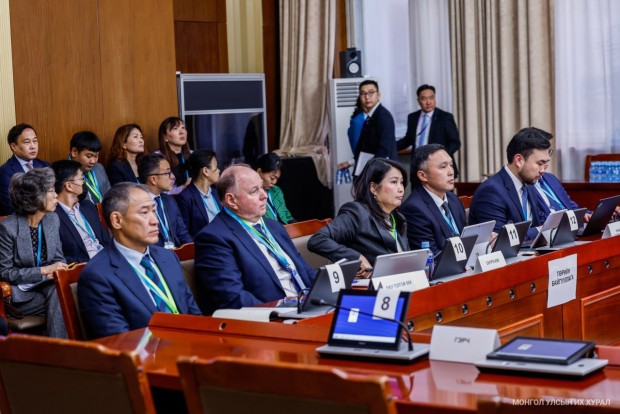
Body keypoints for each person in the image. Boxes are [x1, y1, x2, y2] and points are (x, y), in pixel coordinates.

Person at [78, 182, 201, 339]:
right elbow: (120, 340)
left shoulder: (167, 257)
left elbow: (193, 313)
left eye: (154, 211)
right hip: (148, 352)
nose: (155, 221)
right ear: (117, 220)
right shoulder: (98, 275)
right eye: (144, 212)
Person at [194, 165, 316, 313]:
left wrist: (329, 290)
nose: (264, 195)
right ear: (232, 200)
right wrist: (283, 310)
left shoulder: (274, 226)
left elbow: (304, 270)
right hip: (272, 317)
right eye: (254, 191)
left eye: (262, 187)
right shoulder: (214, 238)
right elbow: (233, 298)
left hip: (308, 307)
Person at [308, 158, 409, 277]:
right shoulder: (357, 212)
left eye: (401, 182)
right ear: (373, 188)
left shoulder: (398, 217)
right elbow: (318, 240)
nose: (401, 189)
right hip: (372, 284)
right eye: (394, 182)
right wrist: (357, 258)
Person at [0, 168, 67, 338]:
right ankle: (62, 349)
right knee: (65, 300)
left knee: (64, 295)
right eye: (51, 191)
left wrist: (56, 270)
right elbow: (5, 273)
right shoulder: (8, 228)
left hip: (47, 287)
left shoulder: (52, 219)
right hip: (20, 295)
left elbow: (58, 257)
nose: (56, 195)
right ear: (35, 197)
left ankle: (57, 349)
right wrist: (43, 271)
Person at [469, 127, 550, 240]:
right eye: (540, 163)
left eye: (545, 164)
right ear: (519, 160)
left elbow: (540, 222)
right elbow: (499, 239)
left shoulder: (529, 184)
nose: (543, 170)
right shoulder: (491, 191)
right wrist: (539, 230)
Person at [400, 144, 467, 255]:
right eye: (443, 167)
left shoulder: (453, 199)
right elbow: (431, 257)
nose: (451, 172)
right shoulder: (414, 209)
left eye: (451, 165)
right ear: (422, 175)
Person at [52, 160, 111, 264]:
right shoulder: (53, 216)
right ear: (69, 186)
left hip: (107, 260)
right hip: (85, 267)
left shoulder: (87, 207)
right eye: (81, 179)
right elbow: (60, 258)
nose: (84, 182)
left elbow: (106, 241)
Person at [397, 84, 461, 179]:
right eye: (424, 99)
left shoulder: (445, 117)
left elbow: (455, 143)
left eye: (431, 98)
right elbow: (408, 140)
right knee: (417, 189)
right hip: (418, 166)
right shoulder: (412, 117)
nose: (428, 102)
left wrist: (440, 157)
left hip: (440, 167)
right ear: (418, 101)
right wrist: (389, 146)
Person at [340, 80, 398, 174]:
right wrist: (350, 162)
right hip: (370, 168)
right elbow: (365, 148)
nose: (367, 97)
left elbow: (383, 150)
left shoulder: (383, 116)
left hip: (382, 171)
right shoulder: (370, 116)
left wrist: (371, 172)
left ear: (378, 95)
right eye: (363, 94)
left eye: (371, 92)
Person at [138, 153, 192, 248]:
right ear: (154, 179)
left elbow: (182, 233)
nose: (173, 177)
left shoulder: (169, 200)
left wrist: (191, 249)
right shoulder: (138, 205)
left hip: (177, 253)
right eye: (168, 173)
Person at [0, 123, 50, 215]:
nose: (33, 146)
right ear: (13, 146)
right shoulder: (5, 172)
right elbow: (10, 207)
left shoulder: (45, 166)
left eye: (35, 141)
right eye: (27, 142)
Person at [176, 149, 221, 238]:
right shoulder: (185, 198)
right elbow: (183, 233)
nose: (219, 170)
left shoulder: (216, 192)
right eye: (216, 167)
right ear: (205, 171)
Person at [69, 130, 112, 204]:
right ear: (74, 152)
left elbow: (110, 193)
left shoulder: (99, 167)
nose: (93, 161)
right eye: (89, 156)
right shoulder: (64, 173)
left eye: (96, 156)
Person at [255, 152, 296, 224]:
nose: (274, 182)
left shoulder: (276, 190)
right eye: (272, 178)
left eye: (277, 179)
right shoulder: (252, 194)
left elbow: (286, 215)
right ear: (259, 171)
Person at [157, 116, 191, 195]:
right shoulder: (157, 158)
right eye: (175, 128)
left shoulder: (192, 154)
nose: (182, 132)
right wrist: (182, 188)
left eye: (183, 127)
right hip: (170, 200)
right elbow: (157, 188)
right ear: (165, 137)